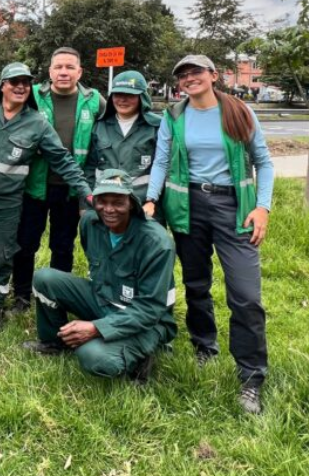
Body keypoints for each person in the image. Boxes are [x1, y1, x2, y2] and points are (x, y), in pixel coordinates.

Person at [144, 54, 275, 415]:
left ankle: (251, 377)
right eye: (182, 75)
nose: (189, 78)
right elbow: (161, 158)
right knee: (196, 283)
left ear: (213, 75)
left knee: (246, 296)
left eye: (195, 72)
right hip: (187, 206)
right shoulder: (174, 116)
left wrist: (262, 206)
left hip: (234, 207)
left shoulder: (238, 112)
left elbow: (263, 162)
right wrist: (152, 199)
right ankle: (205, 347)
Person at [0, 62, 94, 330]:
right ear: (2, 86)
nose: (20, 87)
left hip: (5, 205)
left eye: (25, 83)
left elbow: (62, 160)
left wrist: (85, 191)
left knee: (2, 255)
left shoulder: (37, 124)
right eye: (14, 82)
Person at [22, 169, 177, 382]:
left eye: (118, 202)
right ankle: (53, 343)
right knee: (45, 279)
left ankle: (142, 358)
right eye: (102, 201)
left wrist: (96, 328)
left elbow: (151, 309)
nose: (109, 209)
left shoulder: (157, 243)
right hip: (104, 298)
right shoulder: (90, 223)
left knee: (93, 356)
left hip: (148, 319)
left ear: (131, 203)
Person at [10, 47, 106, 313]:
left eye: (69, 67)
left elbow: (106, 139)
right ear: (50, 71)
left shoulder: (95, 101)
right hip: (35, 187)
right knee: (26, 243)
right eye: (59, 67)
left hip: (72, 191)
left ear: (79, 71)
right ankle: (21, 295)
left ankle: (55, 297)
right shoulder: (34, 98)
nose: (64, 72)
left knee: (62, 246)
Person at [84, 70, 160, 208]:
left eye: (130, 95)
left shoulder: (157, 127)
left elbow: (164, 168)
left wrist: (152, 201)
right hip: (105, 204)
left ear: (142, 97)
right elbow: (90, 167)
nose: (123, 100)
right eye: (118, 94)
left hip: (143, 204)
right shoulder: (99, 126)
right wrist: (87, 203)